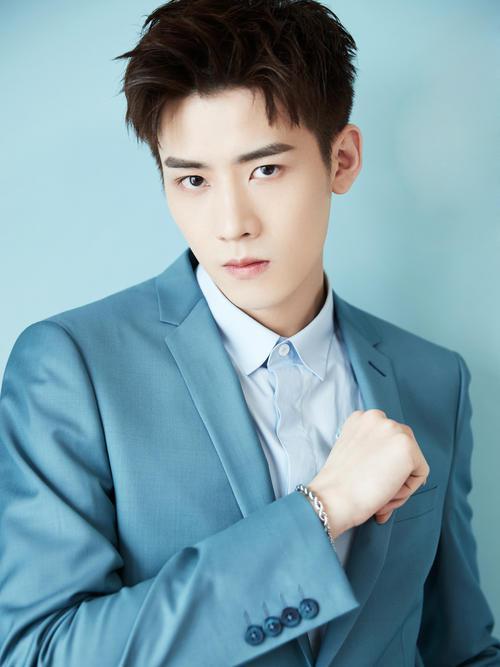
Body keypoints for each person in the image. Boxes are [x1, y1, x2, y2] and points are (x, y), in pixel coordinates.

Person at [0, 0, 498, 665]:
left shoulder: (433, 378)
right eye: (193, 179)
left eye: (265, 169)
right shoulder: (71, 369)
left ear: (342, 159)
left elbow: (461, 650)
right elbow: (40, 653)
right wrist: (321, 510)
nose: (232, 223)